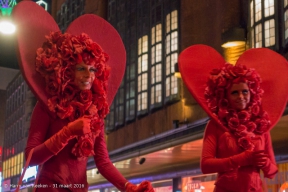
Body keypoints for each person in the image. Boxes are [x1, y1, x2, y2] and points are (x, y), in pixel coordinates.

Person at [13, 2, 154, 192]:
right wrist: (68, 131)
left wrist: (129, 187)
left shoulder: (95, 111)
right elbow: (30, 157)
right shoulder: (48, 106)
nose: (88, 75)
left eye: (92, 69)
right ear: (66, 71)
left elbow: (102, 162)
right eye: (81, 68)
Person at [178, 45, 288, 192]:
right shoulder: (215, 125)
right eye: (234, 93)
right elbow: (206, 164)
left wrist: (265, 163)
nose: (241, 97)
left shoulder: (260, 125)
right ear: (225, 96)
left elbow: (272, 171)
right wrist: (242, 159)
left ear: (252, 93)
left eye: (245, 91)